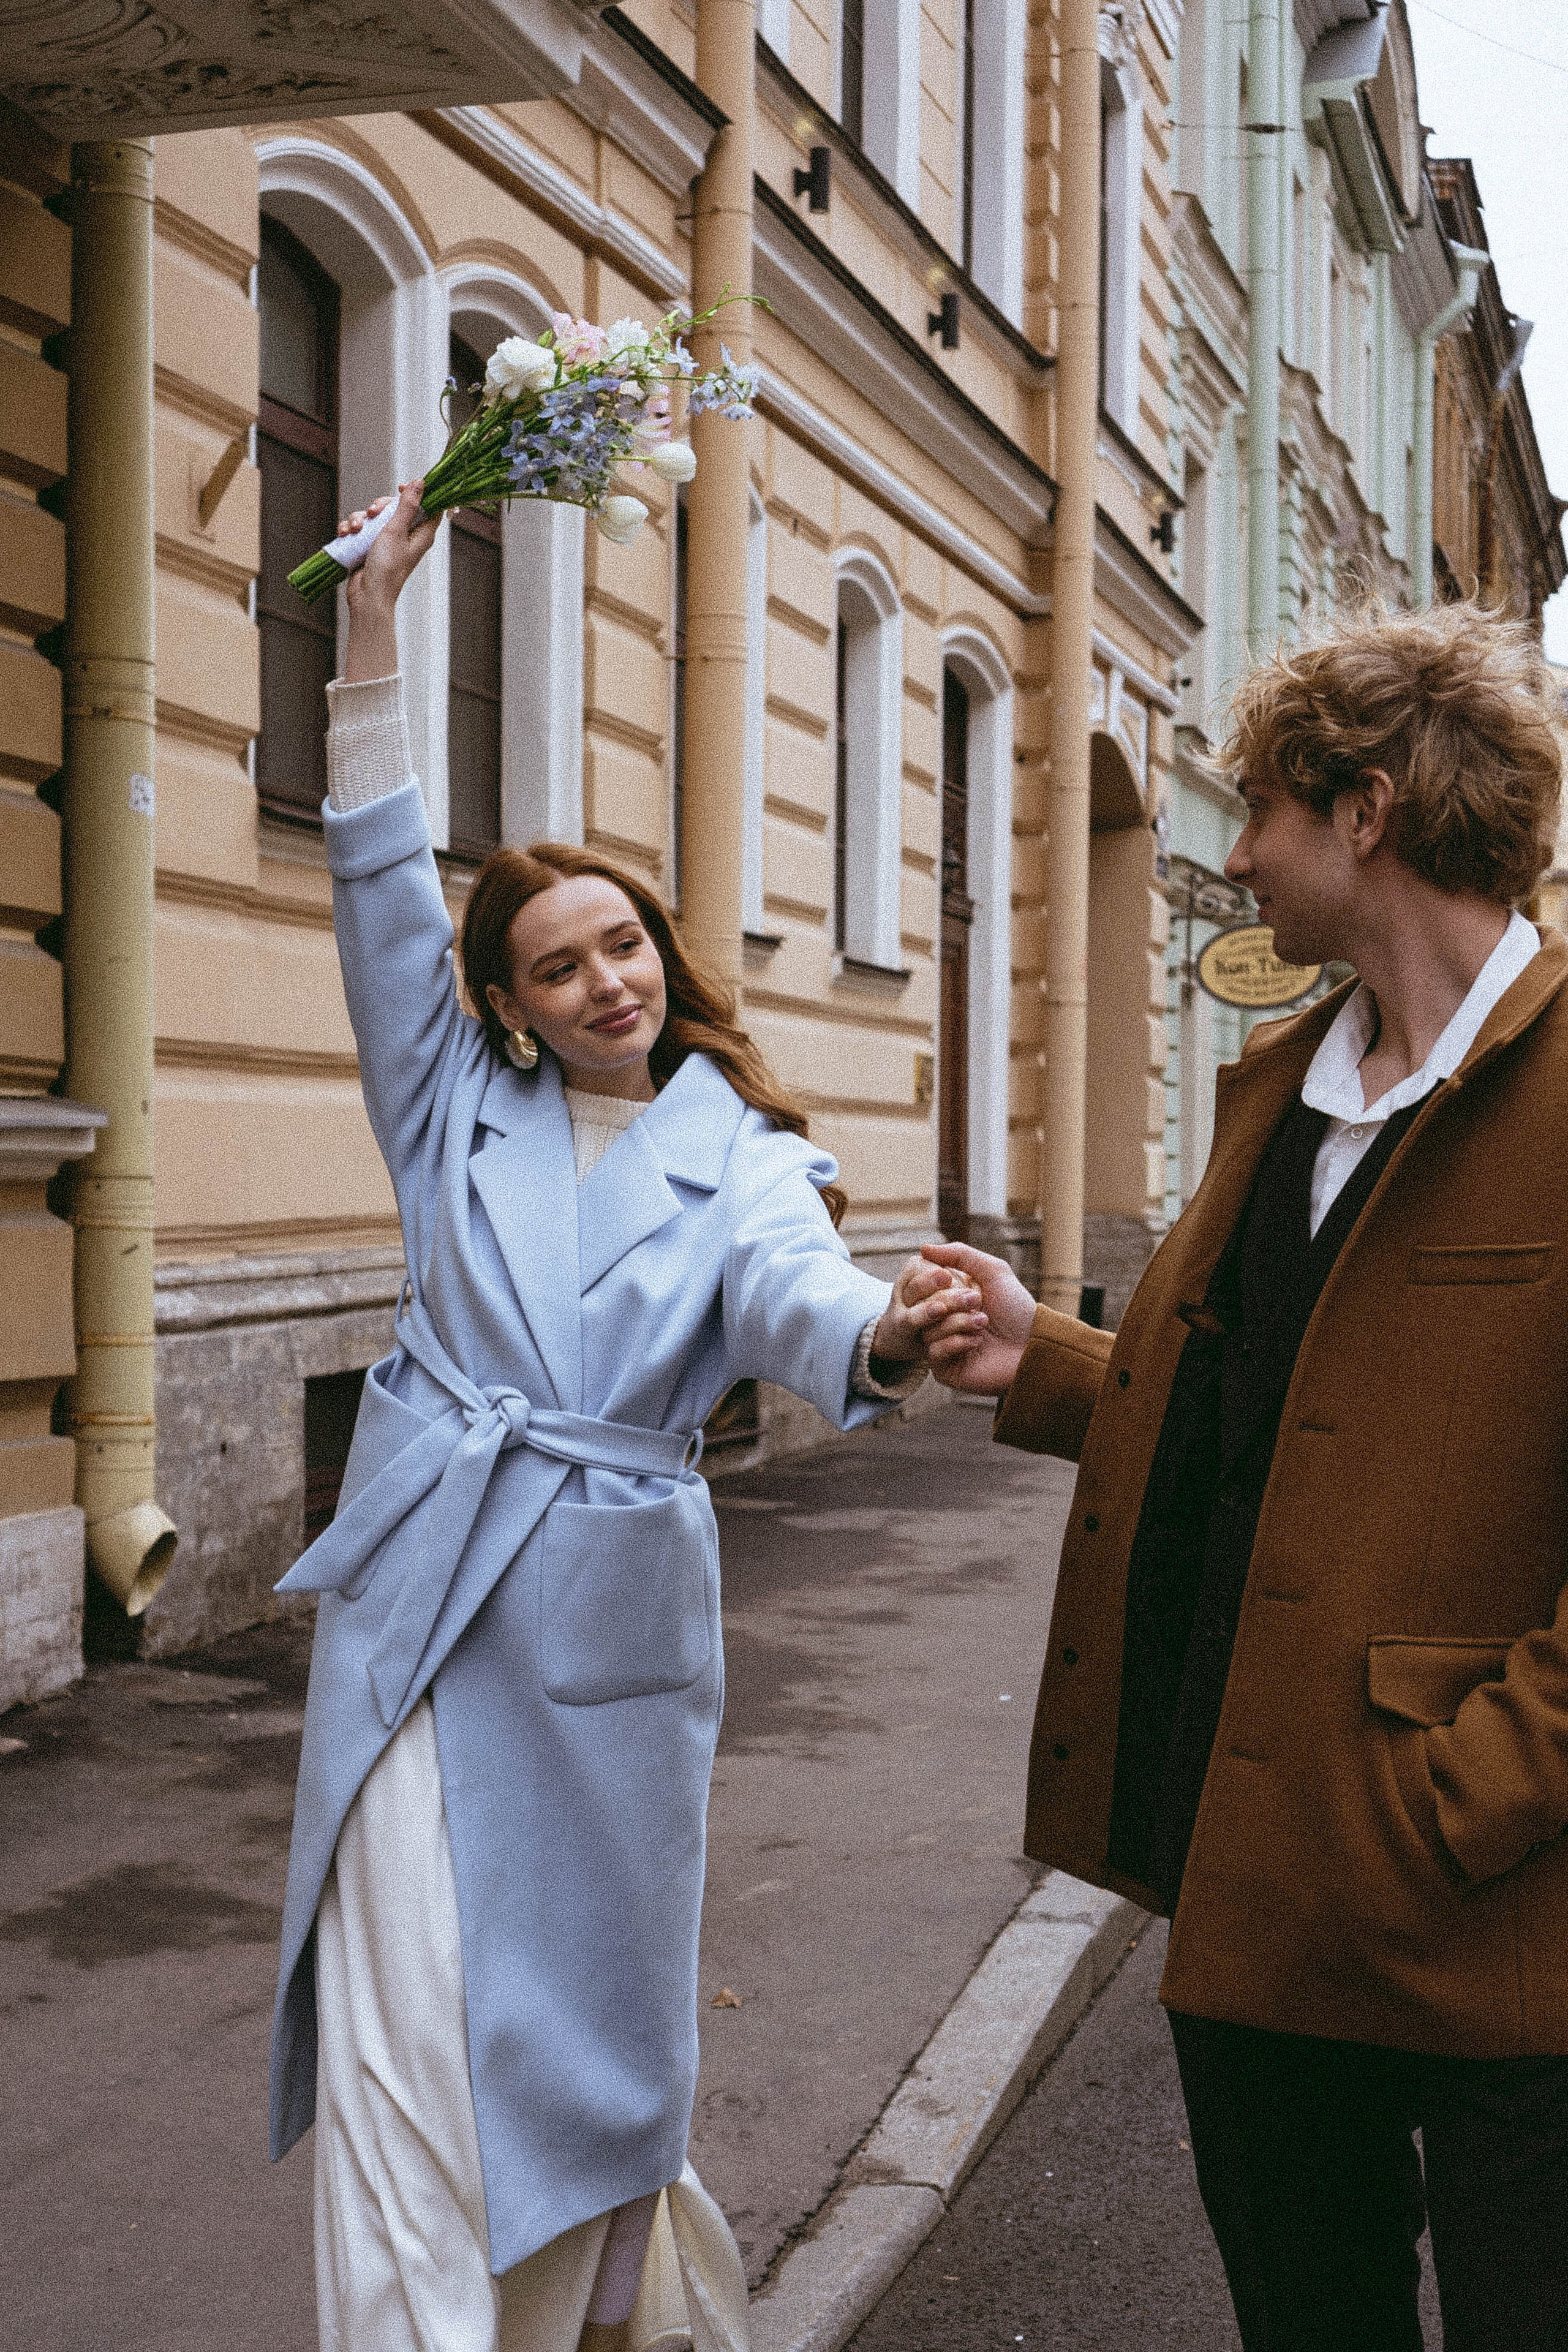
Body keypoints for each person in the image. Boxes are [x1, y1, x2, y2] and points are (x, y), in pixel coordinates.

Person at [266, 483, 976, 2352]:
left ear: (663, 957)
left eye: (627, 946)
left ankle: (601, 2318)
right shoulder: (448, 1116)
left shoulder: (733, 1148)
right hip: (422, 1599)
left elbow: (793, 1293)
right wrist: (372, 627)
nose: (607, 981)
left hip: (603, 1630)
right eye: (561, 963)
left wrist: (889, 1331)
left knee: (587, 2050)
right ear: (500, 1005)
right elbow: (373, 875)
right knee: (407, 2012)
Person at [911, 601, 1568, 2352]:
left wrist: (1476, 1793)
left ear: (1364, 811)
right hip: (1257, 1893)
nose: (1239, 851)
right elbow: (1288, 1409)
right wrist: (1043, 1364)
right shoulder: (1285, 1083)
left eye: (1259, 806)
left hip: (1499, 1925)